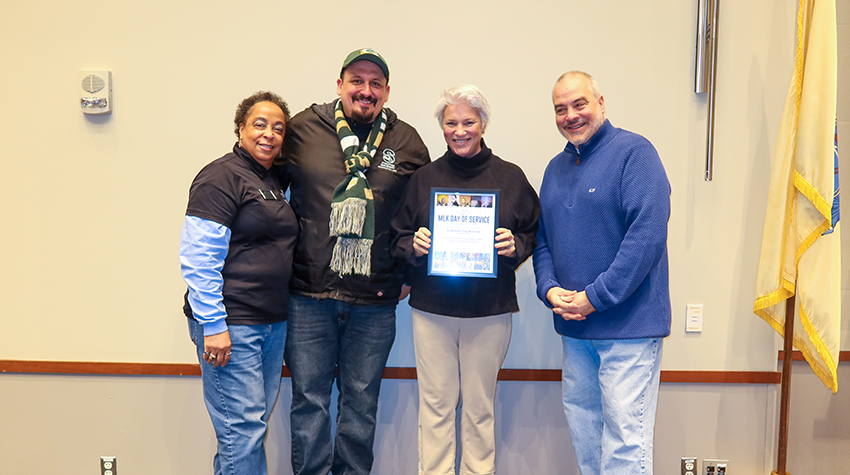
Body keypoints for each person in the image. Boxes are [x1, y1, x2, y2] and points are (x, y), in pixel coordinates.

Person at [277, 48, 430, 475]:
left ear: (386, 92)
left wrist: (410, 274)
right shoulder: (302, 129)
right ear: (339, 85)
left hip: (375, 300)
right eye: (357, 81)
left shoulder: (407, 141)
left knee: (361, 404)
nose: (366, 90)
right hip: (308, 295)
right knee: (309, 402)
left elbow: (422, 215)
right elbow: (266, 192)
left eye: (375, 83)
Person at [392, 84, 540, 475]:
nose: (460, 131)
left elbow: (534, 233)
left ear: (483, 124)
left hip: (489, 311)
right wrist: (414, 245)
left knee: (479, 409)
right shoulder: (423, 179)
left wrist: (515, 245)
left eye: (468, 122)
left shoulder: (510, 178)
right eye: (451, 123)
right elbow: (397, 237)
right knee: (436, 407)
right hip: (432, 311)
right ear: (442, 126)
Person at [533, 71, 671, 475]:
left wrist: (595, 297)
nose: (571, 115)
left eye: (579, 104)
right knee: (587, 439)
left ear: (601, 103)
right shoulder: (555, 169)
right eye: (561, 109)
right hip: (576, 331)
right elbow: (543, 241)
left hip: (629, 330)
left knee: (626, 442)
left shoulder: (635, 153)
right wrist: (548, 289)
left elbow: (646, 236)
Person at [179, 91, 297, 475]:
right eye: (260, 124)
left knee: (244, 430)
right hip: (231, 324)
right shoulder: (221, 177)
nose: (269, 134)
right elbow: (198, 258)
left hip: (271, 322)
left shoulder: (271, 180)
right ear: (241, 127)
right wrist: (214, 325)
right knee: (243, 431)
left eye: (278, 128)